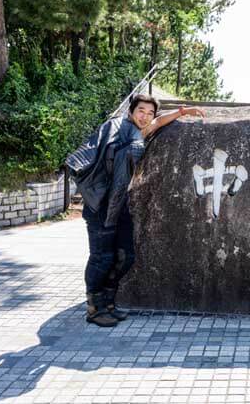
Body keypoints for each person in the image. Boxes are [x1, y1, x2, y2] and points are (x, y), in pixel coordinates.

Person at [66, 94, 204, 327]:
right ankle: (94, 307)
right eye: (141, 111)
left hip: (119, 205)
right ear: (131, 111)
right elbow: (105, 151)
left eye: (150, 112)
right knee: (101, 257)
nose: (146, 116)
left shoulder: (136, 132)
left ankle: (109, 302)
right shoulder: (117, 127)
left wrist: (182, 112)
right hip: (100, 204)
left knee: (125, 255)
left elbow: (158, 124)